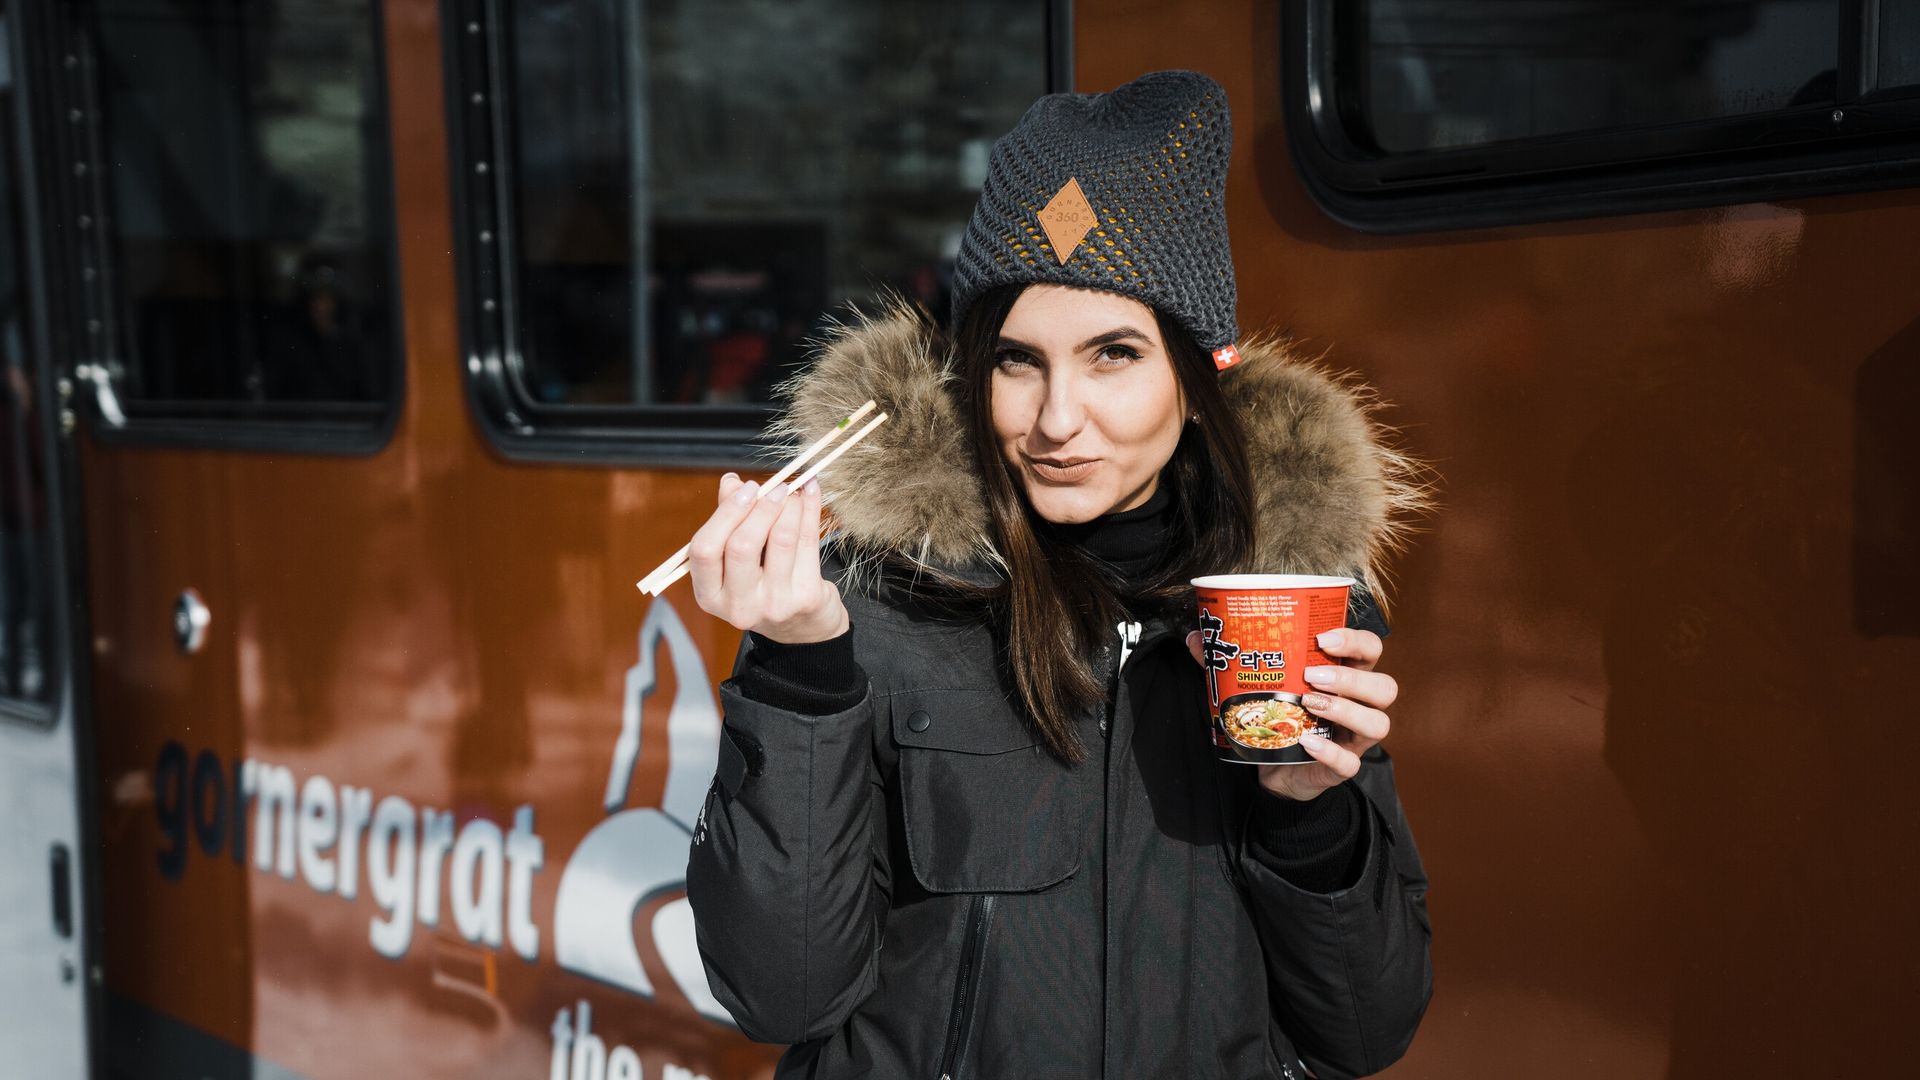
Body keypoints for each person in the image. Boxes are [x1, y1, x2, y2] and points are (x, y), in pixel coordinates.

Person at [684, 71, 1431, 1079]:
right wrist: (798, 678)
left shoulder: (1295, 605)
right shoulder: (877, 596)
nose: (1056, 420)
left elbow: (1366, 1028)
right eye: (1017, 361)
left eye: (1113, 355)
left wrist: (1311, 814)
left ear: (1201, 365)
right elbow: (780, 995)